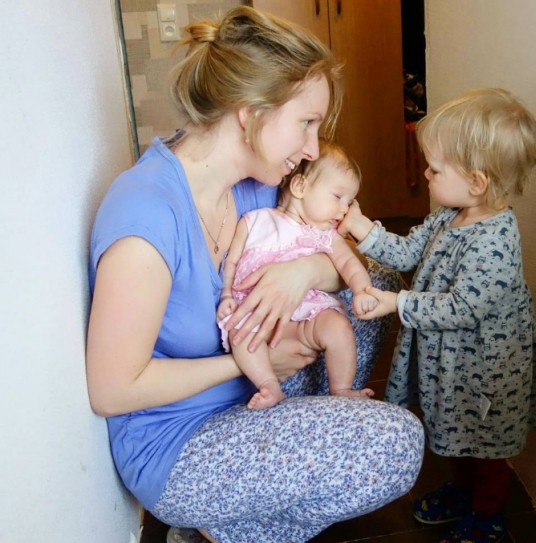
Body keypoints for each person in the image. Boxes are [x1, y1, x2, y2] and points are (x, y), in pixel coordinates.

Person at [85, 6, 424, 543]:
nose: (313, 149)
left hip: (257, 388)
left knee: (374, 285)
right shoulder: (146, 219)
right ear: (249, 113)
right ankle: (216, 524)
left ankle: (246, 505)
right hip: (182, 439)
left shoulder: (254, 184)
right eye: (306, 123)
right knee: (395, 445)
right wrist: (248, 363)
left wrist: (301, 272)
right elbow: (112, 391)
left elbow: (348, 264)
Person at [339, 88, 536, 543]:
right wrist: (359, 226)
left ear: (476, 181)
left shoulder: (494, 240)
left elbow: (462, 307)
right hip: (452, 359)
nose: (425, 173)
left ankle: (488, 513)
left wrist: (397, 303)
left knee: (484, 439)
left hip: (484, 367)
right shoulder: (447, 215)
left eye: (434, 169)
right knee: (454, 427)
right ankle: (463, 490)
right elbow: (406, 252)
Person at [217, 140, 377, 409]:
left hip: (307, 318)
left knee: (338, 327)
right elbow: (231, 263)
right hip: (259, 316)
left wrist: (362, 290)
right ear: (300, 187)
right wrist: (226, 296)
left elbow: (349, 263)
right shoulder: (255, 221)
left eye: (349, 202)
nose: (344, 210)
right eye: (338, 197)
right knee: (240, 334)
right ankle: (269, 385)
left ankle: (341, 388)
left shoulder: (324, 234)